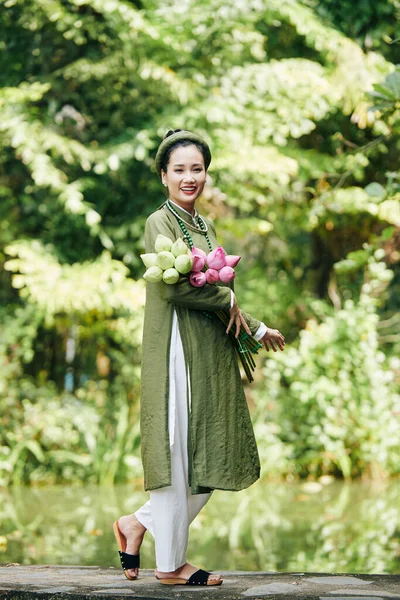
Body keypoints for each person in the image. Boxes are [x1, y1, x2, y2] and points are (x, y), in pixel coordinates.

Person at [113, 129, 285, 587]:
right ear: (164, 176)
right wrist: (226, 299)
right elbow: (173, 287)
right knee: (175, 451)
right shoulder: (159, 222)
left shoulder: (204, 227)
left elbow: (216, 290)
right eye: (180, 170)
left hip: (206, 352)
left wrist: (257, 328)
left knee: (208, 454)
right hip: (174, 349)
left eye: (197, 168)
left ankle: (137, 525)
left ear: (206, 172)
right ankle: (170, 566)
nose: (190, 177)